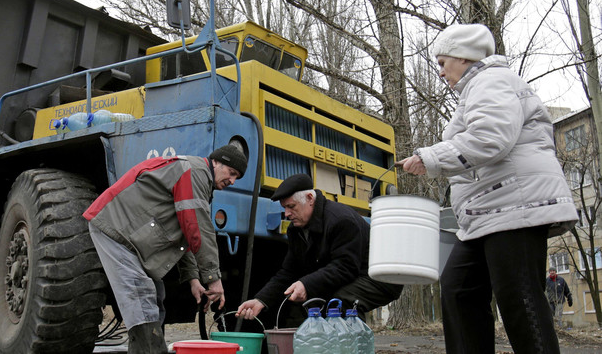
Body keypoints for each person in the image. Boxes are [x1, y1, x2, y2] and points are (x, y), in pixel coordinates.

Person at [397, 23, 578, 354]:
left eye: (442, 63)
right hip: (487, 213)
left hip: (515, 207)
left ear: (463, 58)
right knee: (458, 289)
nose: (440, 73)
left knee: (520, 298)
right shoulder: (477, 89)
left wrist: (430, 157)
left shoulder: (491, 81)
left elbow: (490, 138)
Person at [83, 144, 247, 354]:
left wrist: (193, 279)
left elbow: (184, 231)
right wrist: (213, 279)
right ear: (216, 162)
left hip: (131, 235)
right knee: (141, 297)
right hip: (115, 228)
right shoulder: (195, 171)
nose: (232, 181)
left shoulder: (199, 178)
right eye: (231, 173)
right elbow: (197, 227)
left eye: (237, 177)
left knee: (156, 295)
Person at [235, 173, 402, 324]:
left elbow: (345, 268)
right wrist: (261, 300)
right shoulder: (296, 230)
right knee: (305, 306)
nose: (286, 213)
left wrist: (306, 284)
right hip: (349, 276)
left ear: (310, 198)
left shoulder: (341, 220)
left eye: (291, 206)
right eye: (284, 207)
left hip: (379, 277)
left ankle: (353, 347)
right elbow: (288, 272)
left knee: (339, 302)